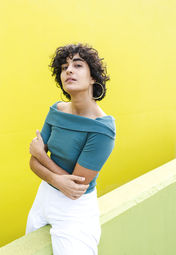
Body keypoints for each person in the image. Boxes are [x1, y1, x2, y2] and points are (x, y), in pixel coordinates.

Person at [25, 43, 116, 255]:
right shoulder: (56, 110)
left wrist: (41, 156)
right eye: (64, 67)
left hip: (74, 213)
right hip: (43, 199)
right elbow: (32, 162)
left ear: (93, 77)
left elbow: (76, 188)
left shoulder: (102, 129)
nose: (69, 71)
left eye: (77, 65)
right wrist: (55, 178)